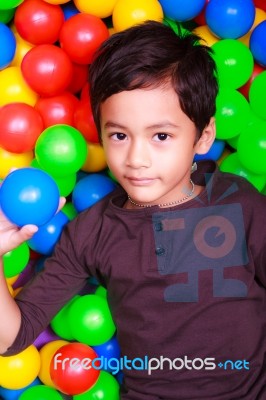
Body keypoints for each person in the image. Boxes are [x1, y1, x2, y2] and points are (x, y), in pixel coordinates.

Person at [0, 20, 266, 400]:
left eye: (161, 136)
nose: (136, 158)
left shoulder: (238, 203)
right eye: (119, 135)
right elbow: (12, 337)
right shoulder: (93, 232)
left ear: (204, 136)